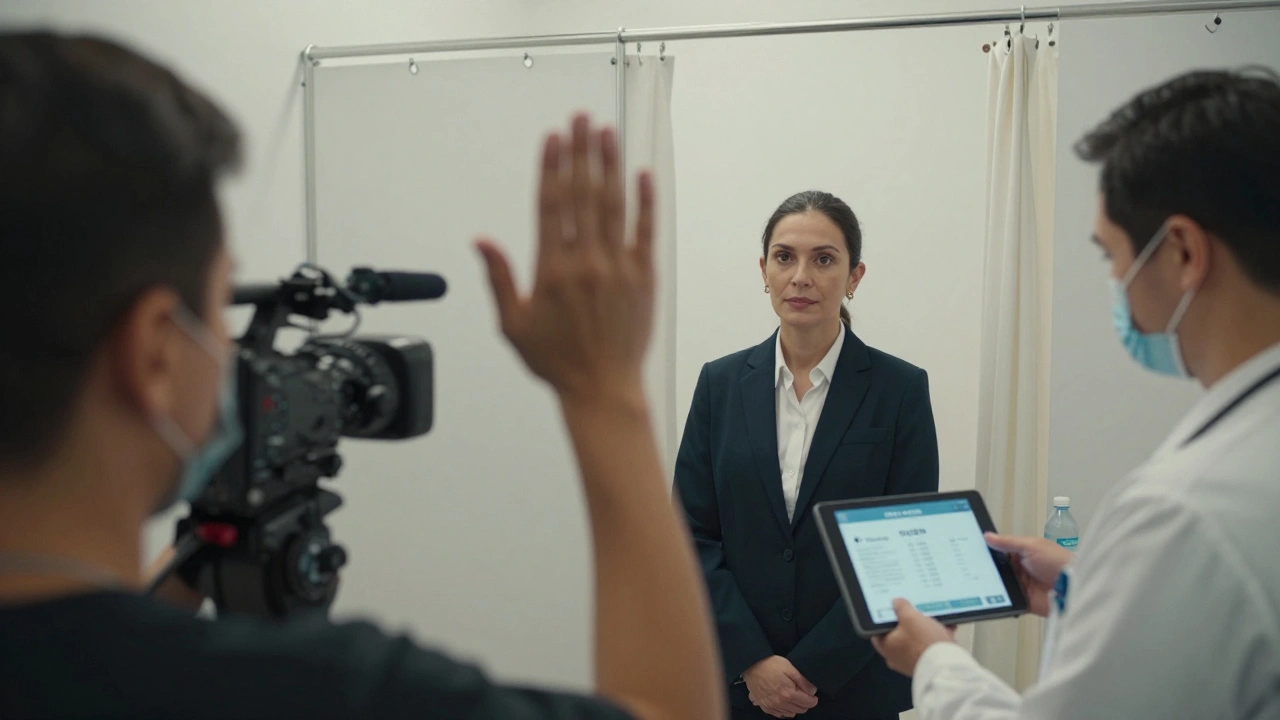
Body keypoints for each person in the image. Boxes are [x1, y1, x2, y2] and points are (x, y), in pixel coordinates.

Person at [0, 31, 725, 720]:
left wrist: (208, 549)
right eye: (222, 309)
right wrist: (605, 392)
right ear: (156, 353)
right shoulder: (331, 692)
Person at [871, 68, 1280, 719]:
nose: (1116, 281)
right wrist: (1093, 588)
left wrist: (934, 662)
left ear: (1181, 253)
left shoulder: (1184, 514)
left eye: (1111, 254)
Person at [675, 191, 941, 720]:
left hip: (853, 687)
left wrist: (814, 668)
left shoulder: (900, 389)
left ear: (855, 275)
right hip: (735, 686)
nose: (801, 276)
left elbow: (904, 544)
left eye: (824, 259)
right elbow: (691, 535)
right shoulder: (719, 384)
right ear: (764, 270)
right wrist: (752, 661)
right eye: (784, 257)